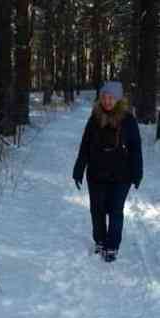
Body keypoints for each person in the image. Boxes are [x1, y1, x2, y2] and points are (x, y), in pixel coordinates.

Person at [73, 81, 143, 262]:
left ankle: (112, 245)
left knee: (115, 210)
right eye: (104, 97)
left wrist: (137, 172)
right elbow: (85, 146)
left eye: (111, 97)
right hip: (96, 174)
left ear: (118, 99)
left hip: (122, 175)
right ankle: (100, 241)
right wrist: (79, 169)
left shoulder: (128, 120)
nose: (107, 101)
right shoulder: (94, 118)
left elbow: (136, 148)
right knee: (97, 210)